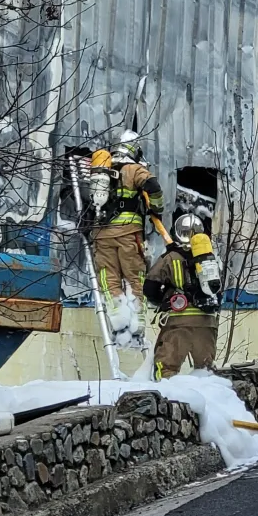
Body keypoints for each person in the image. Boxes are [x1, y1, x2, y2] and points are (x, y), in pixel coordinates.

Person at [91, 136, 164, 339]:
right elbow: (153, 186)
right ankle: (137, 320)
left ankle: (116, 314)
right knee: (134, 275)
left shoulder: (100, 171)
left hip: (101, 234)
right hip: (128, 233)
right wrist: (157, 209)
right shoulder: (133, 170)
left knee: (107, 275)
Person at [143, 214, 223, 379]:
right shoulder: (211, 259)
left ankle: (170, 402)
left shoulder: (171, 258)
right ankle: (207, 403)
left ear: (177, 233)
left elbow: (149, 287)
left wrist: (163, 301)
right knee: (206, 372)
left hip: (178, 323)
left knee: (166, 369)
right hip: (207, 322)